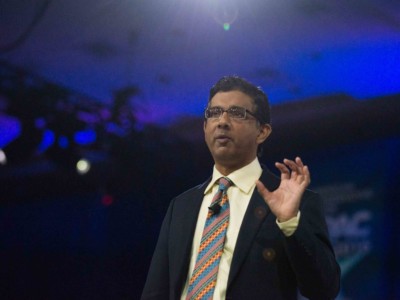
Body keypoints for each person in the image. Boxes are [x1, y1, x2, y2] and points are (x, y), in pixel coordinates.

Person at [141, 75, 340, 300]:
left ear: (262, 131)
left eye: (237, 113)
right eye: (214, 113)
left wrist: (290, 223)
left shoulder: (293, 200)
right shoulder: (181, 206)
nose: (222, 121)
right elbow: (155, 291)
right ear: (205, 126)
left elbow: (324, 289)